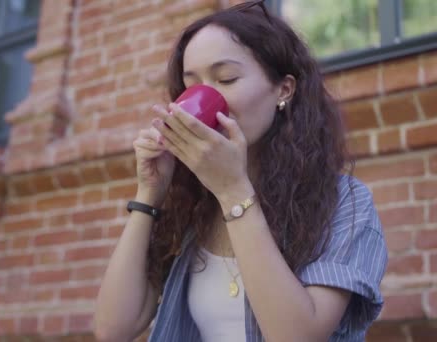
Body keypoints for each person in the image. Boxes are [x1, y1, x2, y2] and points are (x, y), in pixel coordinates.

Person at [94, 1, 388, 341]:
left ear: (284, 90)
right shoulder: (190, 205)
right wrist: (150, 192)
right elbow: (113, 329)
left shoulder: (346, 204)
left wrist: (233, 189)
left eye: (226, 78)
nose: (204, 97)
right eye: (192, 85)